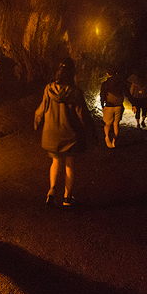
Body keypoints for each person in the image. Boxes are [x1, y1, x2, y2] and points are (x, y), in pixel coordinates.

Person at [34, 59, 96, 208]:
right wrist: (91, 133)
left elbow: (41, 109)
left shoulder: (49, 89)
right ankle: (67, 197)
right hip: (70, 134)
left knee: (55, 162)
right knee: (69, 164)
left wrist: (37, 121)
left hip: (52, 133)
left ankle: (51, 192)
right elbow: (82, 115)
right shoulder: (75, 92)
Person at [99, 68, 129, 147]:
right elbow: (127, 93)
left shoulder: (105, 84)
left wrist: (102, 105)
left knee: (108, 123)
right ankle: (115, 139)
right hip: (118, 105)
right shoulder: (121, 83)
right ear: (116, 73)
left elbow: (102, 95)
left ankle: (107, 137)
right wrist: (134, 104)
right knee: (116, 123)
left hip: (109, 105)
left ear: (107, 74)